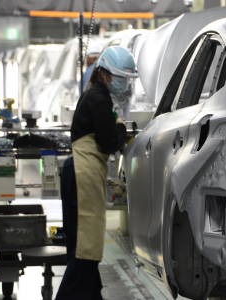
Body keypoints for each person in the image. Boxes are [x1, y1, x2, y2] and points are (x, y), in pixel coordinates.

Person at [55, 46, 138, 300]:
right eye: (122, 77)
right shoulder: (98, 99)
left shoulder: (95, 96)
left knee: (82, 249)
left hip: (81, 172)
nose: (125, 84)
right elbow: (108, 141)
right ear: (106, 74)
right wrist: (122, 131)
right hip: (83, 174)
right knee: (85, 251)